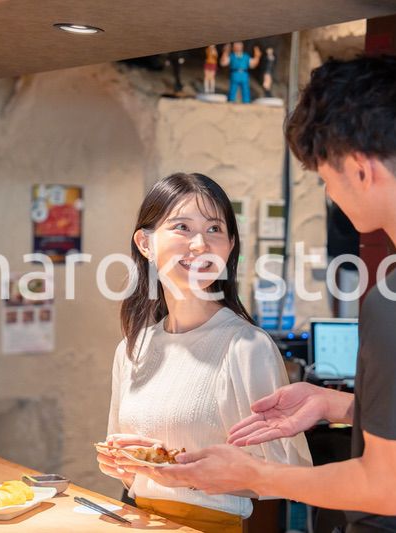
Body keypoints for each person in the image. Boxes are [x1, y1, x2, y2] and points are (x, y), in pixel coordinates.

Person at [123, 56, 396, 532]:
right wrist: (336, 404)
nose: (330, 193)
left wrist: (255, 473)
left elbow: (389, 489)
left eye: (326, 177)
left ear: (360, 168)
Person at [98, 172, 311, 533]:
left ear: (229, 247)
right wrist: (119, 464)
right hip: (138, 522)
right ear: (145, 243)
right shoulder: (132, 347)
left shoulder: (247, 347)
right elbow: (126, 468)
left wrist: (187, 478)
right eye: (182, 227)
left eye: (214, 229)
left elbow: (290, 475)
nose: (200, 244)